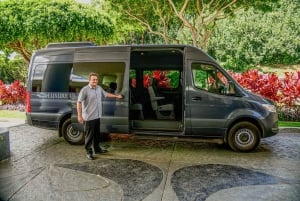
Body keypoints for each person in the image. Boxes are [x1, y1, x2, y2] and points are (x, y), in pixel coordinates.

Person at [77, 72, 123, 160]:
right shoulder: (85, 90)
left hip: (97, 116)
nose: (95, 81)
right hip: (89, 117)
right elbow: (79, 102)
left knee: (97, 135)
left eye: (96, 79)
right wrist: (79, 116)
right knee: (89, 136)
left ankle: (97, 149)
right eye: (93, 79)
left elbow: (106, 94)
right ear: (89, 80)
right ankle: (89, 152)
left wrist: (117, 96)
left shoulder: (98, 88)